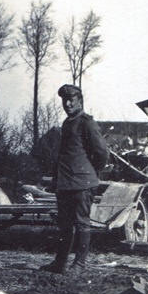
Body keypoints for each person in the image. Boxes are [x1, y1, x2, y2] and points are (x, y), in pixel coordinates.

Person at [41, 84, 109, 274]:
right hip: (65, 184)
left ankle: (79, 264)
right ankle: (59, 263)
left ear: (80, 101)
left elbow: (102, 153)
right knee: (64, 225)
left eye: (71, 100)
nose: (68, 104)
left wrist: (90, 172)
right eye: (65, 100)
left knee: (81, 223)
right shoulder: (67, 123)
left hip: (82, 184)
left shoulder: (87, 123)